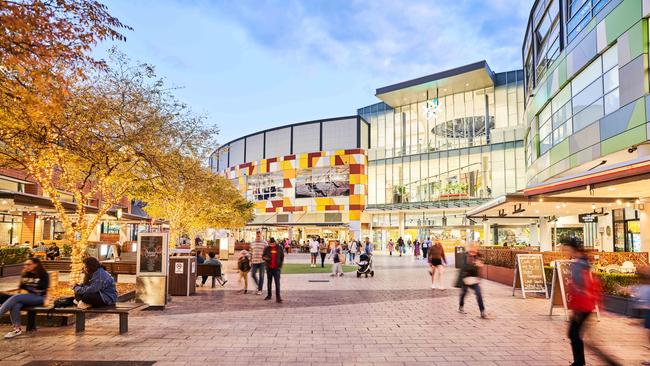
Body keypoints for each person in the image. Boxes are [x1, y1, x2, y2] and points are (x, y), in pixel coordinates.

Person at [562, 236, 609, 366]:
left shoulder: (577, 264)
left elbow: (579, 287)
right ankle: (579, 361)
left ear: (572, 249)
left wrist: (577, 309)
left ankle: (579, 362)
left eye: (566, 249)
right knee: (575, 333)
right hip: (587, 304)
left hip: (583, 305)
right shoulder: (584, 262)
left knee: (573, 333)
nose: (566, 252)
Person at [0, 258, 49, 339]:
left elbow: (42, 288)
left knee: (16, 297)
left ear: (35, 265)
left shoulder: (43, 274)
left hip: (39, 298)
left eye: (29, 264)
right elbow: (21, 287)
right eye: (25, 264)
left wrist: (29, 289)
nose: (26, 266)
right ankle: (17, 329)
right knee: (16, 304)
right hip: (25, 297)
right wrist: (29, 289)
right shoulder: (25, 273)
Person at [458, 245, 486, 319]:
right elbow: (463, 267)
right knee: (464, 293)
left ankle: (482, 311)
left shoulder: (478, 256)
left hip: (474, 280)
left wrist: (480, 265)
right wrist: (473, 264)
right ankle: (461, 306)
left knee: (478, 293)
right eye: (472, 250)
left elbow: (481, 265)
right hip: (466, 279)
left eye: (475, 250)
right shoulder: (465, 256)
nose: (474, 251)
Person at [262, 238, 284, 303]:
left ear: (275, 243)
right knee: (269, 282)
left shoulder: (279, 248)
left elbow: (282, 257)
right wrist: (266, 258)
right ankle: (269, 295)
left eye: (272, 244)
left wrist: (280, 265)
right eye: (270, 244)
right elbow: (263, 256)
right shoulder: (267, 248)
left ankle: (278, 297)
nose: (271, 245)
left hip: (276, 268)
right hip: (269, 268)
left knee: (277, 283)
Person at [250, 230, 267, 294]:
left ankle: (260, 290)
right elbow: (250, 252)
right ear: (256, 235)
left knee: (261, 276)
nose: (258, 236)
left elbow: (267, 252)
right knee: (253, 274)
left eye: (259, 235)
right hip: (254, 262)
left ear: (261, 235)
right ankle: (258, 285)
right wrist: (250, 259)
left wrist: (266, 258)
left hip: (262, 262)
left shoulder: (264, 243)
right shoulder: (252, 243)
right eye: (257, 235)